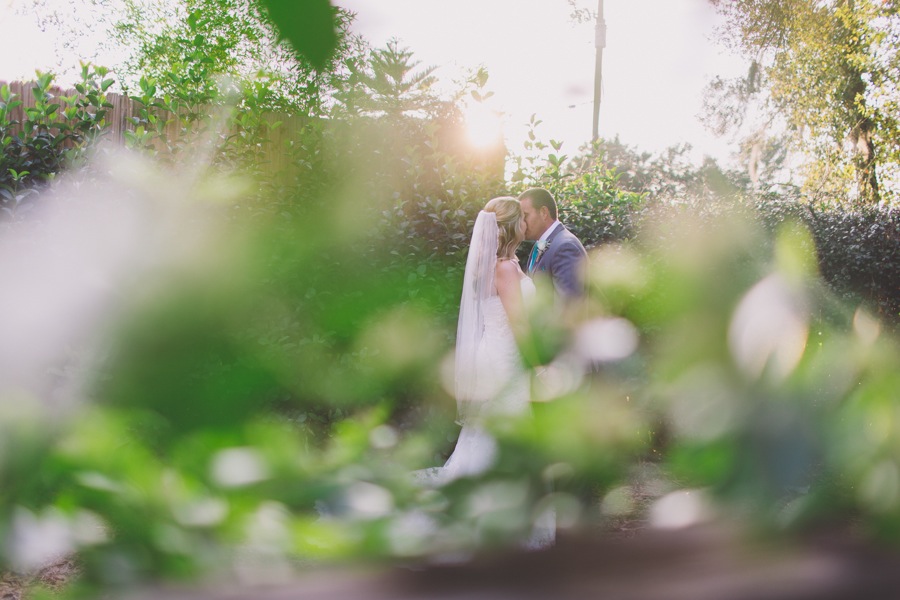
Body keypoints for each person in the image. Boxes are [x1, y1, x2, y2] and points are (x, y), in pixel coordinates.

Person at [416, 196, 554, 548]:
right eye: (521, 218)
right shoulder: (505, 268)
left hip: (493, 357)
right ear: (511, 227)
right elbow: (520, 324)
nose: (526, 222)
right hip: (505, 360)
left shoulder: (498, 264)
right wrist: (537, 365)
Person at [518, 187, 588, 297]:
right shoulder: (540, 243)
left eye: (525, 216)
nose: (522, 222)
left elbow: (569, 306)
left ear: (543, 212)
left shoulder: (565, 247)